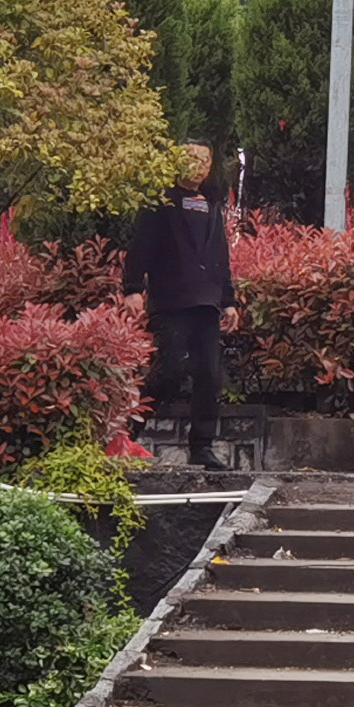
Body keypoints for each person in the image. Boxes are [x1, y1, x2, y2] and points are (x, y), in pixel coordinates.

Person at [124, 141, 239, 470]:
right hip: (171, 301)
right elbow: (140, 246)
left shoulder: (211, 205)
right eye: (191, 159)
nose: (198, 166)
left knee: (209, 376)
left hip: (208, 303)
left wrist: (228, 301)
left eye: (204, 160)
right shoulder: (161, 202)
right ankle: (127, 433)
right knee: (169, 371)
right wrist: (133, 288)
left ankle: (202, 446)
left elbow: (220, 256)